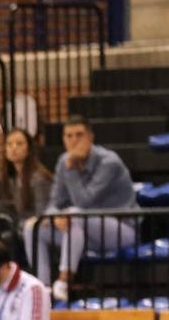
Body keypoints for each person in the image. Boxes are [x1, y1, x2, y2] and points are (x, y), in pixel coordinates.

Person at [22, 116, 137, 299]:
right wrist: (52, 217)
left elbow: (85, 202)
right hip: (82, 231)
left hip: (120, 230)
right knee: (33, 228)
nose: (74, 140)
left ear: (90, 137)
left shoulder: (109, 162)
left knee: (74, 214)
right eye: (68, 136)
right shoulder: (63, 162)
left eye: (79, 135)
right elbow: (55, 202)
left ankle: (63, 282)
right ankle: (41, 290)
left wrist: (72, 168)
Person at [0, 128, 53, 227]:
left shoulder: (38, 178)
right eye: (9, 144)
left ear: (28, 149)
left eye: (19, 144)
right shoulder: (11, 177)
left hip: (31, 226)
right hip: (18, 223)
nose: (13, 148)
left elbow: (42, 213)